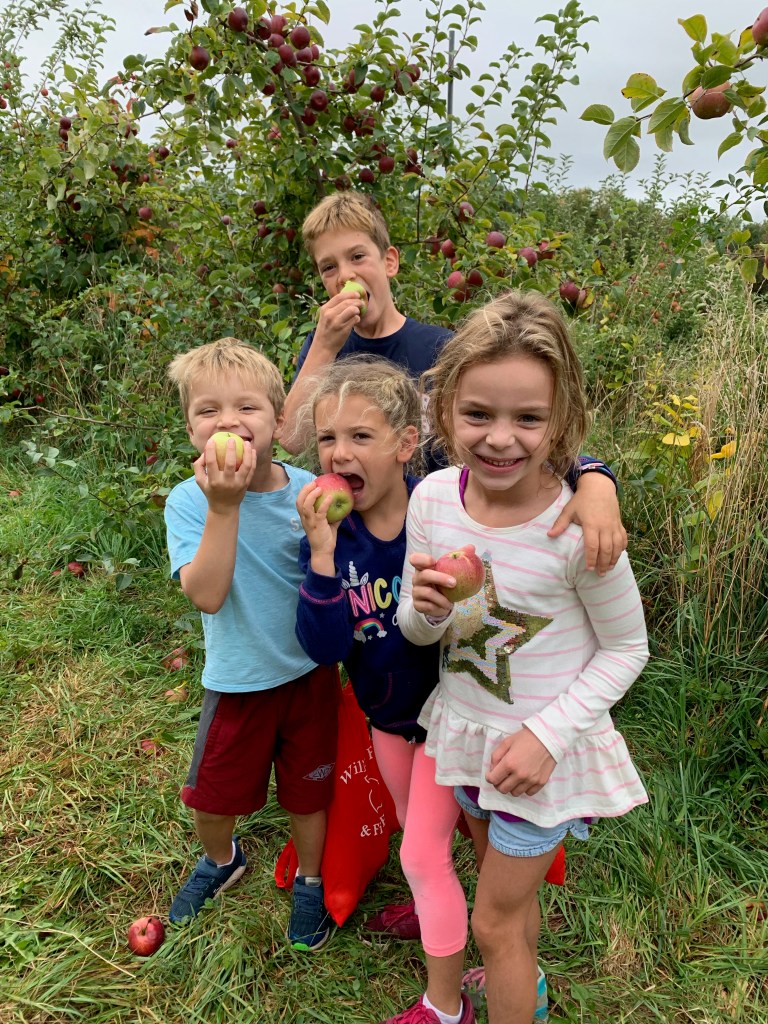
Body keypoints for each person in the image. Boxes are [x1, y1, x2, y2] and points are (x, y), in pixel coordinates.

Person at [293, 355, 612, 1023]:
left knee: (443, 846)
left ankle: (446, 1003)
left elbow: (530, 464)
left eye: (360, 436)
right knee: (422, 838)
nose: (340, 452)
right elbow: (323, 648)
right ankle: (441, 904)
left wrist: (598, 478)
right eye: (327, 438)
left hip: (453, 719)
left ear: (407, 443)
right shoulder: (334, 534)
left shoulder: (442, 506)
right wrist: (320, 555)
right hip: (387, 722)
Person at [396, 290, 650, 1024]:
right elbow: (416, 630)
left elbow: (628, 646)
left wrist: (548, 734)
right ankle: (523, 987)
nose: (500, 438)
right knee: (506, 900)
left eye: (528, 418)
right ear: (443, 413)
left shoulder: (576, 529)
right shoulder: (434, 500)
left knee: (494, 923)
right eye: (478, 414)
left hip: (543, 756)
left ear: (562, 421)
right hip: (469, 735)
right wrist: (427, 609)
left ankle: (511, 980)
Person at [280, 190, 626, 577]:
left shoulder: (442, 347)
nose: (345, 275)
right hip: (357, 552)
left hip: (443, 536)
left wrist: (595, 477)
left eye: (357, 256)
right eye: (329, 267)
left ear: (389, 261)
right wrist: (325, 344)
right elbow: (292, 439)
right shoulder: (322, 351)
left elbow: (514, 429)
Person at [163, 337, 338, 952]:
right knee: (212, 795)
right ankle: (222, 859)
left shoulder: (311, 490)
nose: (229, 421)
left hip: (311, 675)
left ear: (278, 420)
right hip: (237, 680)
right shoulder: (189, 502)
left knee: (309, 790)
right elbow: (207, 595)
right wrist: (224, 506)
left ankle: (312, 880)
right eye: (208, 410)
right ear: (190, 428)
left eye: (247, 408)